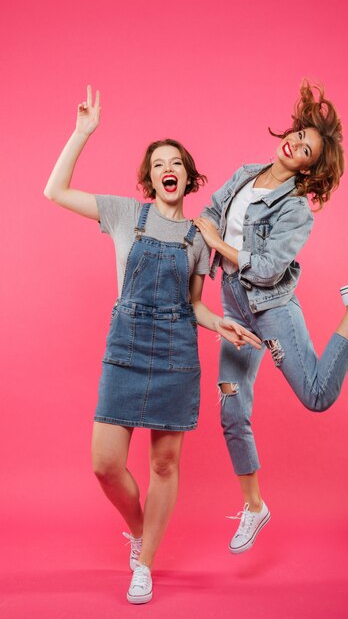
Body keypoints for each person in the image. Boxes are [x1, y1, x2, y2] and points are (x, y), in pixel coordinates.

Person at [44, 85, 261, 604]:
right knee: (104, 464)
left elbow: (193, 304)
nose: (168, 168)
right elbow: (54, 192)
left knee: (164, 464)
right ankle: (140, 530)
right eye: (158, 163)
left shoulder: (196, 238)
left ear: (187, 176)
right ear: (151, 179)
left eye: (176, 162)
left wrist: (219, 325)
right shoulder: (124, 215)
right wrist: (81, 133)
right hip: (126, 348)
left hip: (175, 355)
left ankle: (144, 564)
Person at [194, 80, 348, 555]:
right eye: (299, 134)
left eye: (306, 149)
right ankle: (254, 507)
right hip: (233, 308)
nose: (295, 144)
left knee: (315, 395)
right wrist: (191, 253)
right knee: (231, 409)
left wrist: (217, 243)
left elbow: (267, 271)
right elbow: (208, 214)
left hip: (271, 312)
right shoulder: (245, 174)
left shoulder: (296, 211)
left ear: (310, 167)